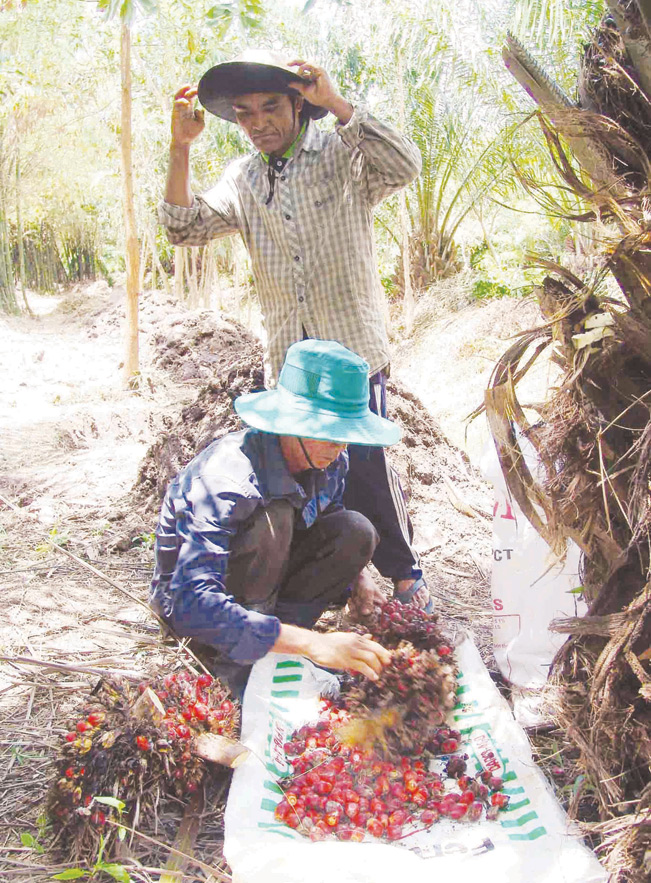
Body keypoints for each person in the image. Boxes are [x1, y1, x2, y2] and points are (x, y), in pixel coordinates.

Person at [159, 49, 432, 612]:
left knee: (366, 467)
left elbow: (406, 165)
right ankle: (334, 582)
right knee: (302, 472)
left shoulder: (339, 152)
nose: (257, 123)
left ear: (298, 105)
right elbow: (183, 229)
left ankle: (405, 576)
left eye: (269, 107)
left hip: (353, 346)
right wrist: (181, 148)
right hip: (290, 362)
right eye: (244, 113)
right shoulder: (242, 178)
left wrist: (335, 103)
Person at [150, 339, 395, 692]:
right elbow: (193, 603)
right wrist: (316, 644)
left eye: (347, 435)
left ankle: (277, 645)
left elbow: (330, 516)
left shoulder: (329, 460)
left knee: (355, 530)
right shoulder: (227, 481)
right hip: (200, 613)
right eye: (331, 433)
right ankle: (235, 661)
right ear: (290, 423)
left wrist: (360, 578)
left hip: (266, 591)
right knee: (274, 516)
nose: (341, 447)